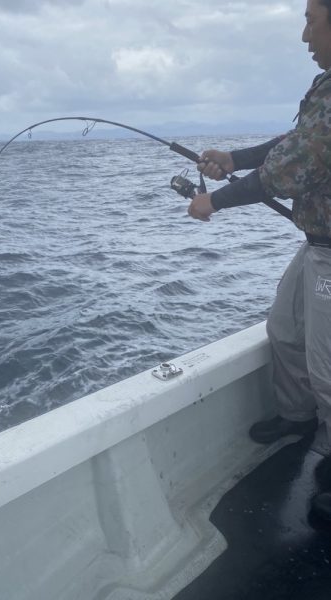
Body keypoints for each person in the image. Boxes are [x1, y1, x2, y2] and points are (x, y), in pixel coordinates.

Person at [188, 0, 331, 522]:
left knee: (328, 365)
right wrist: (236, 159)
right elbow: (295, 142)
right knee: (284, 330)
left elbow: (293, 169)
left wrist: (215, 200)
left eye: (311, 21)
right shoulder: (325, 87)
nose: (303, 36)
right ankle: (298, 417)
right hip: (316, 242)